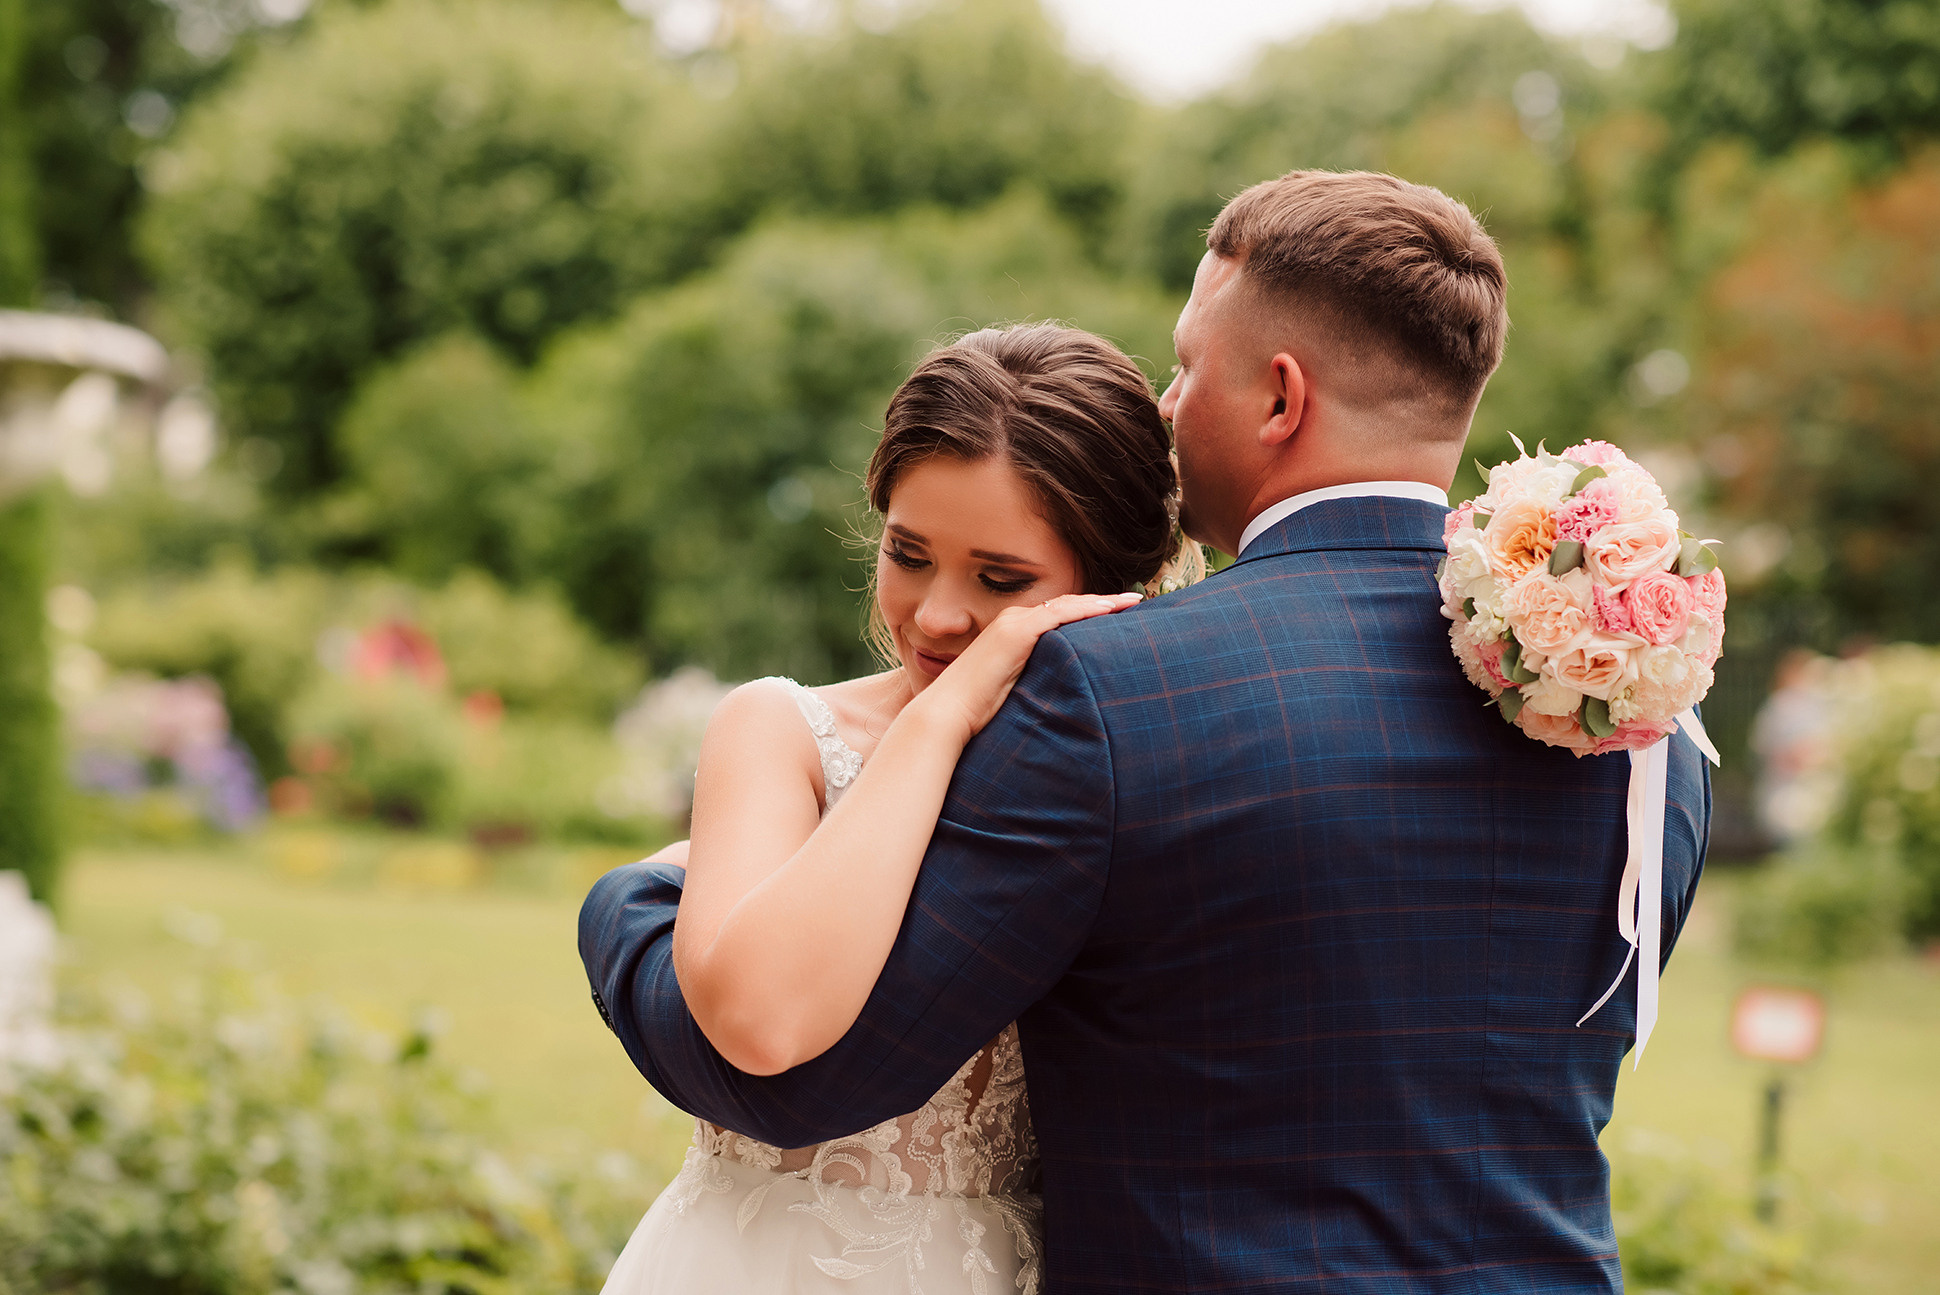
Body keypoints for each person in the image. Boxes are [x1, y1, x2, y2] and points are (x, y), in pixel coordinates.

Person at [583, 170, 1712, 1294]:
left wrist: (629, 910)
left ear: (1278, 397)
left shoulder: (1119, 691)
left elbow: (808, 1085)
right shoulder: (1634, 704)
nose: (1165, 408)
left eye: (1183, 367)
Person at [596, 321, 1200, 1294]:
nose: (934, 613)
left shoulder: (1134, 772)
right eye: (908, 553)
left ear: (1106, 585)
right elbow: (758, 1019)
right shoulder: (775, 730)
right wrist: (942, 716)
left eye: (999, 579)